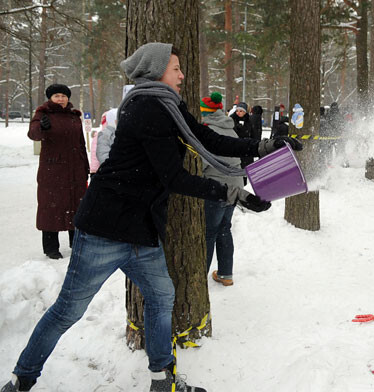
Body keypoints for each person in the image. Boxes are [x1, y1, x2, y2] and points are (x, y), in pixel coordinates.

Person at [1, 42, 301, 392]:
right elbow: (174, 177)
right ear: (157, 70)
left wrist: (261, 147)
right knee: (68, 310)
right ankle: (21, 379)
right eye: (176, 68)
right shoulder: (146, 109)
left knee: (161, 299)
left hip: (142, 230)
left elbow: (206, 137)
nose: (182, 75)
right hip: (105, 228)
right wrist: (231, 193)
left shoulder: (169, 106)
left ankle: (162, 380)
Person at [27, 84, 89, 260]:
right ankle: (51, 248)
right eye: (56, 96)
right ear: (50, 98)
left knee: (76, 205)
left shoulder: (74, 116)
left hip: (75, 169)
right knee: (51, 207)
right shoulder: (43, 114)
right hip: (53, 170)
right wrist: (42, 127)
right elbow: (33, 134)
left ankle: (76, 243)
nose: (60, 99)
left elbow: (81, 144)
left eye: (63, 95)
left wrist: (85, 168)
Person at [200, 92, 241, 286]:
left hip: (215, 189)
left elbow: (202, 163)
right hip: (234, 188)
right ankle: (226, 274)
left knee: (209, 232)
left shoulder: (207, 131)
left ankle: (199, 278)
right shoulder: (230, 128)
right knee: (224, 228)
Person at [230, 102, 254, 184]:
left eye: (241, 111)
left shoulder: (249, 121)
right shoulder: (231, 119)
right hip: (235, 148)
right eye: (237, 111)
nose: (238, 113)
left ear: (245, 112)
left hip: (246, 149)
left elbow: (253, 134)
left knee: (244, 173)